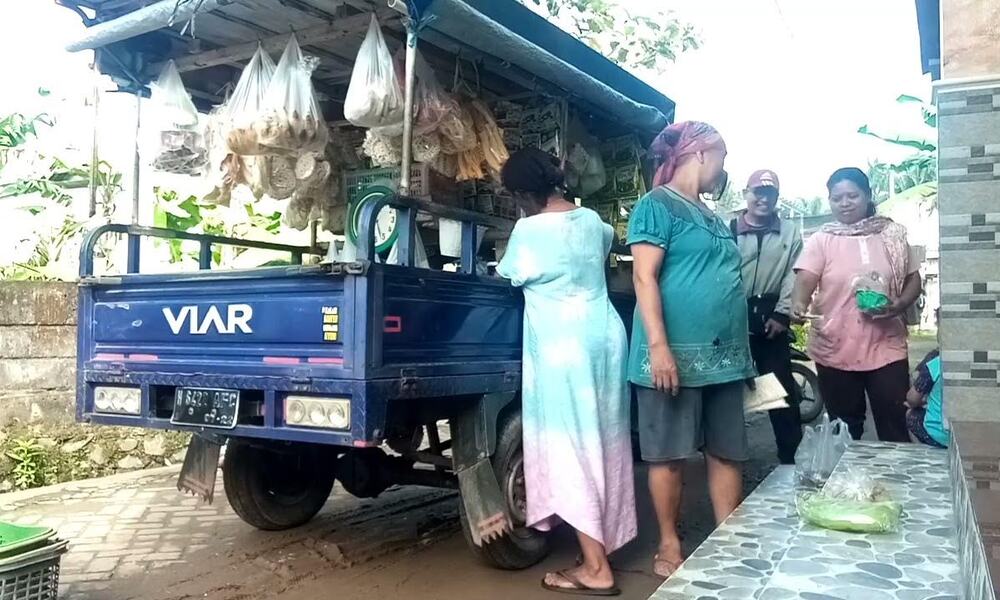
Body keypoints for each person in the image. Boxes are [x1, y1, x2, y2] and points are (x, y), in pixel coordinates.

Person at [496, 148, 635, 595]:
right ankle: (602, 547)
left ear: (522, 192)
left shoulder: (528, 231)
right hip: (605, 338)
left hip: (563, 348)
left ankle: (597, 569)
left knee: (573, 449)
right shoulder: (595, 223)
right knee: (605, 444)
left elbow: (509, 275)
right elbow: (607, 242)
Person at [627, 121, 754, 578]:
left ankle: (728, 538)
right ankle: (668, 542)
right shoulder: (655, 206)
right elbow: (644, 278)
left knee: (727, 451)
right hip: (672, 357)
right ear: (701, 154)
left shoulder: (712, 215)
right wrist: (659, 347)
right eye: (722, 158)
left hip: (724, 359)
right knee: (668, 455)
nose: (724, 168)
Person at [792, 167, 921, 442]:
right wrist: (798, 305)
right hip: (835, 346)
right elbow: (805, 280)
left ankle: (894, 482)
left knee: (894, 424)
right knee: (844, 429)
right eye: (837, 198)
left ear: (868, 195)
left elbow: (913, 279)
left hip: (886, 346)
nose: (845, 203)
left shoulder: (891, 235)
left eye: (852, 195)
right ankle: (847, 484)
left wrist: (899, 304)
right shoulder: (822, 239)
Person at [731, 170, 803, 464]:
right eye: (757, 192)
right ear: (746, 194)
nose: (763, 199)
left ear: (776, 198)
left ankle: (792, 460)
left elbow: (794, 275)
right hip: (733, 319)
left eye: (769, 194)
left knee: (780, 392)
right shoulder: (728, 228)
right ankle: (728, 459)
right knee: (727, 394)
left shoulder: (789, 232)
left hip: (772, 320)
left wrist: (782, 314)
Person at [906, 311, 948, 448]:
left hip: (940, 435)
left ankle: (925, 454)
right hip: (968, 436)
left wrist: (916, 402)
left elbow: (912, 399)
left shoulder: (936, 362)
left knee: (911, 414)